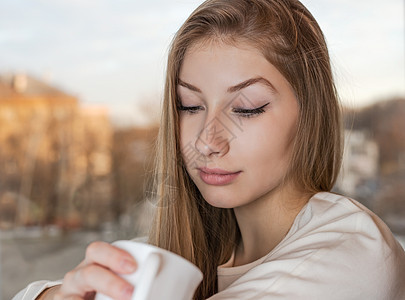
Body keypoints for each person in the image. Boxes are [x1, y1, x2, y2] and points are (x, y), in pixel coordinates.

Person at [13, 0, 405, 299]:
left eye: (247, 109)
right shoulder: (188, 249)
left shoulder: (348, 255)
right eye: (190, 106)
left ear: (310, 113)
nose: (206, 140)